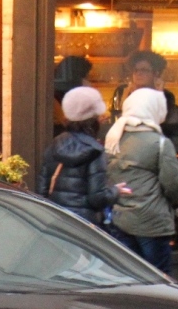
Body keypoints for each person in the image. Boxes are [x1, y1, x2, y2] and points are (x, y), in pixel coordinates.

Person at [104, 87, 178, 274]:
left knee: (129, 277)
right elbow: (174, 184)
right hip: (152, 222)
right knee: (158, 278)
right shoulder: (159, 143)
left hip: (121, 219)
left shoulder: (114, 139)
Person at [37, 87, 127, 225]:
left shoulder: (55, 145)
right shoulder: (95, 151)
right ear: (94, 119)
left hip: (56, 220)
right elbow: (97, 199)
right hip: (83, 225)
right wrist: (115, 191)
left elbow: (42, 190)